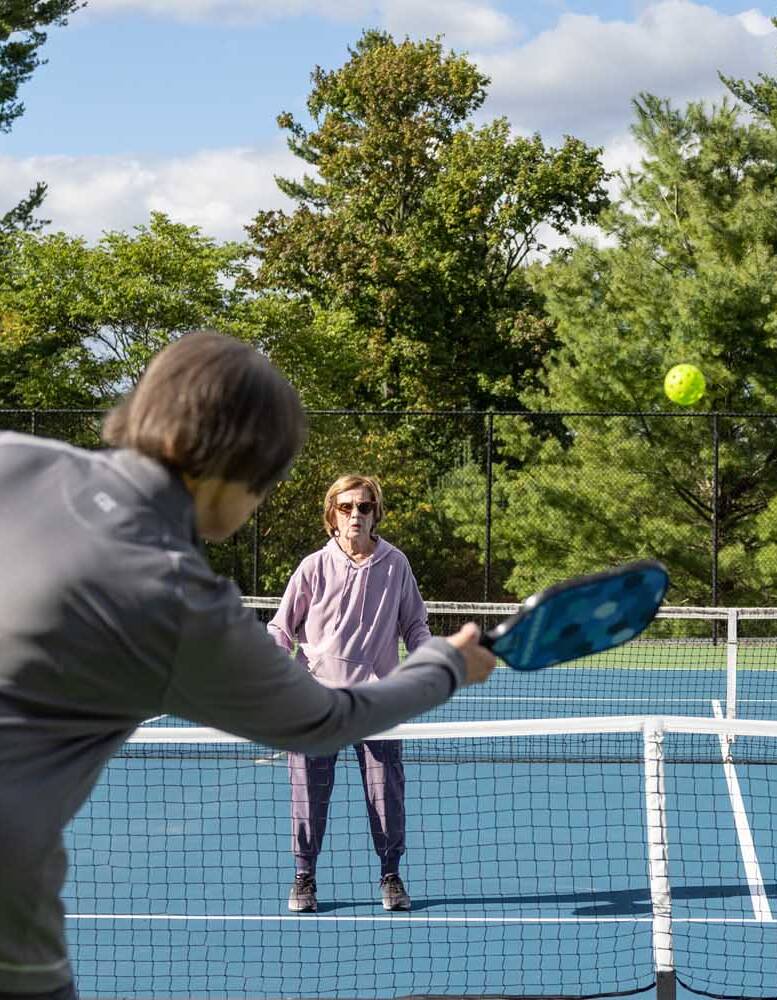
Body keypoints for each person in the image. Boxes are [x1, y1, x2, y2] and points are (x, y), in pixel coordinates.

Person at [0, 331, 496, 1000]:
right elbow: (323, 721)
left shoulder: (14, 455)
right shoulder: (176, 598)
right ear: (243, 471)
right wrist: (448, 665)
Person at [268, 474, 434, 913]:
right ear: (332, 516)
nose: (356, 515)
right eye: (346, 507)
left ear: (376, 513)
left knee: (386, 794)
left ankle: (391, 876)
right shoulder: (312, 567)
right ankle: (304, 877)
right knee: (308, 794)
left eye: (364, 507)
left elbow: (415, 625)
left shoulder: (396, 565)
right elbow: (282, 629)